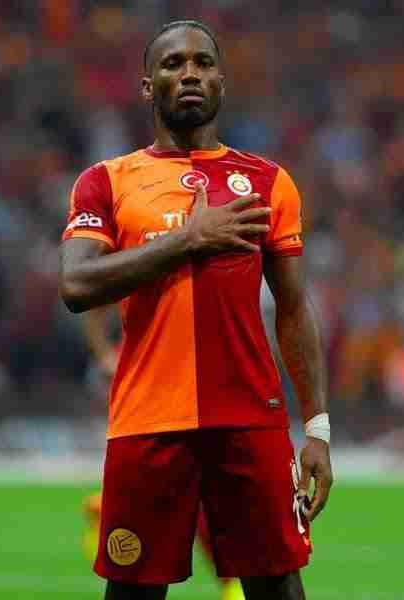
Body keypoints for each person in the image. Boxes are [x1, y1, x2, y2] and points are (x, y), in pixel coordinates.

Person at [59, 19, 333, 600]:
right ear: (147, 85)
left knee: (278, 587)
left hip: (251, 420)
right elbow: (77, 284)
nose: (189, 74)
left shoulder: (268, 182)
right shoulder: (105, 182)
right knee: (133, 592)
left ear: (221, 82)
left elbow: (293, 308)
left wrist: (317, 429)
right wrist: (189, 239)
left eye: (203, 63)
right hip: (148, 422)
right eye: (173, 64)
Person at [80, 306, 245, 600]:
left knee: (188, 487)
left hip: (192, 379)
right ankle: (231, 584)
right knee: (193, 488)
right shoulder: (147, 278)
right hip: (150, 382)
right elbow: (91, 302)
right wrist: (104, 355)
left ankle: (105, 509)